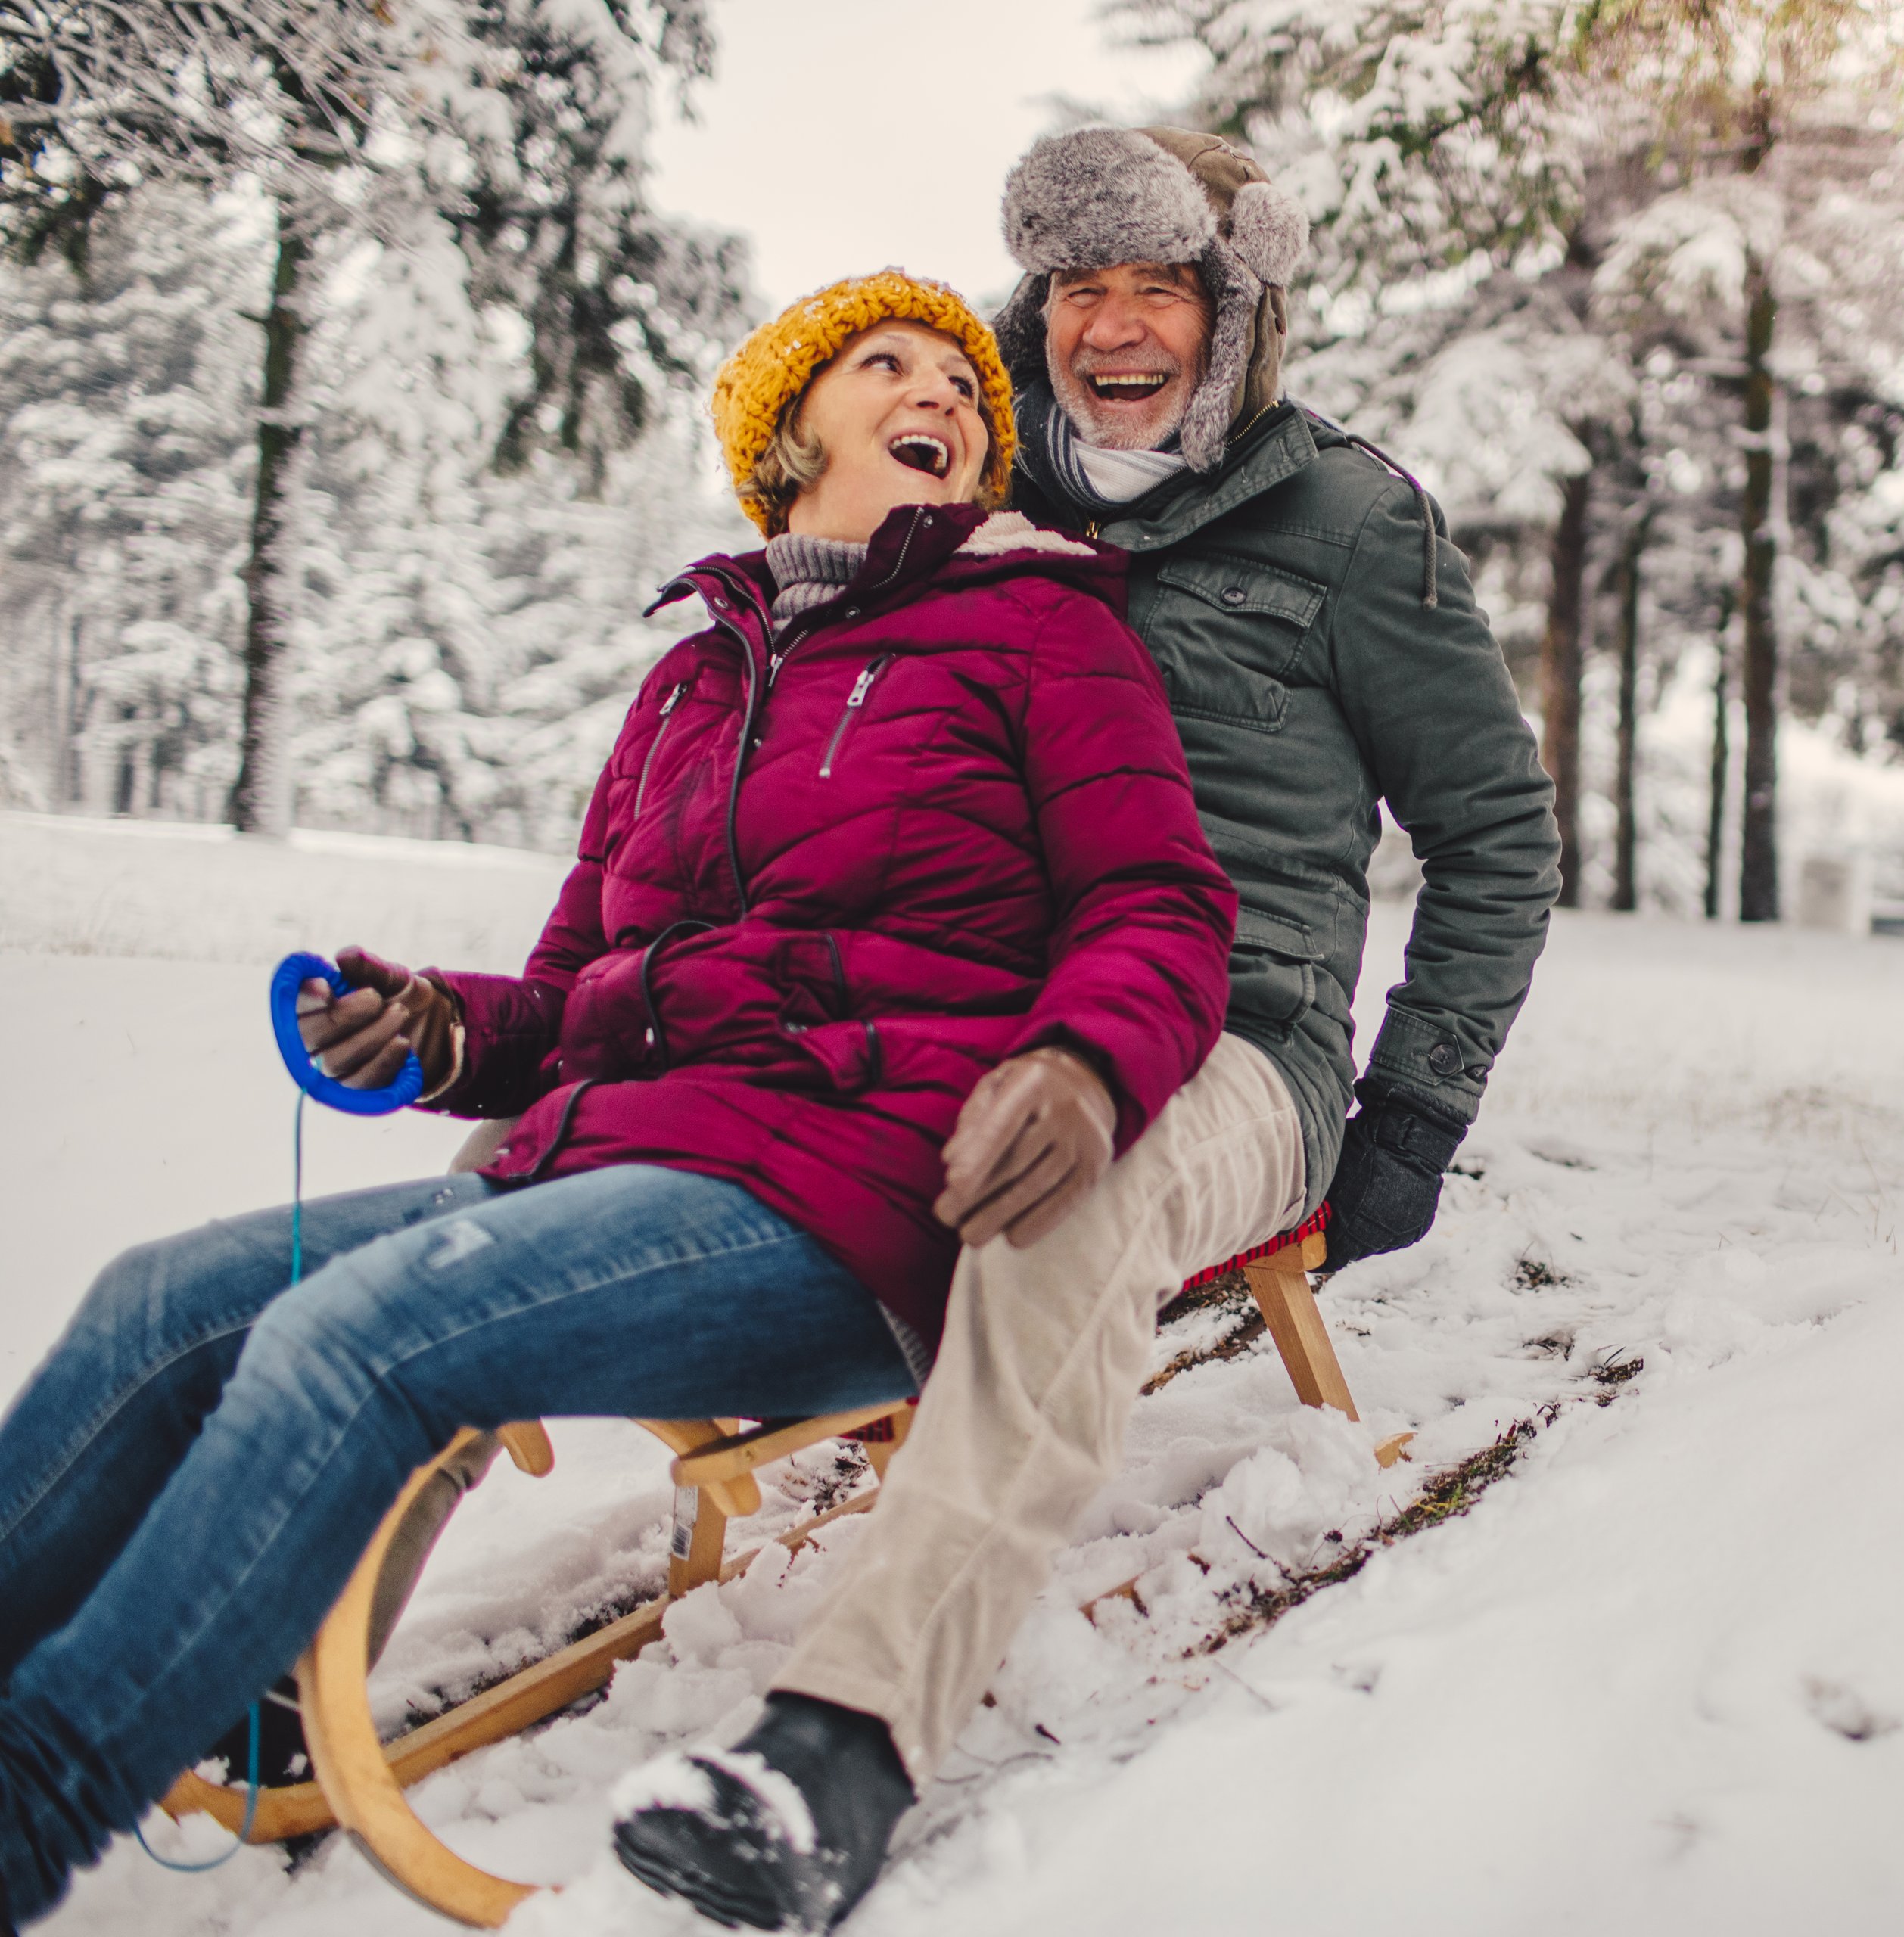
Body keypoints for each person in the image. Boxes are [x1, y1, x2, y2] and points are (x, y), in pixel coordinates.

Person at [0, 269, 1240, 1932]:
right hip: (620, 1160)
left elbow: (1159, 904)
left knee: (358, 1335)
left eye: (960, 377)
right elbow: (579, 985)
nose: (937, 388)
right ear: (792, 427)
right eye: (885, 362)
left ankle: (27, 1808)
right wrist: (437, 1028)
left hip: (853, 1187)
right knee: (159, 1299)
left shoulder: (1043, 623)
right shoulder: (693, 683)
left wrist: (1086, 1061)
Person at [610, 126, 1561, 1932]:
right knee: (566, 1091)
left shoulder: (1353, 525)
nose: (1116, 331)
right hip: (952, 989)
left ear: (1237, 311)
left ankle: (845, 1739)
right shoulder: (964, 476)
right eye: (1082, 291)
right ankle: (304, 1577)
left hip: (1231, 1035)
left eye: (1163, 292)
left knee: (1075, 1175)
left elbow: (1495, 836)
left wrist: (1412, 1113)